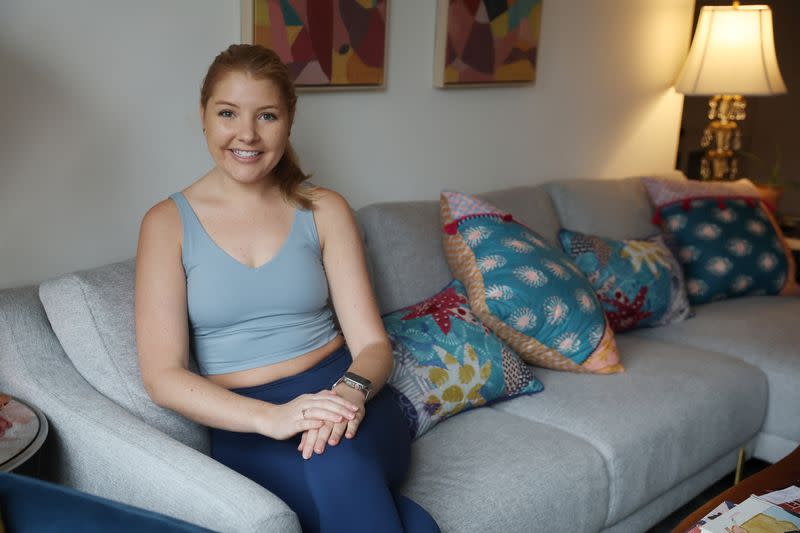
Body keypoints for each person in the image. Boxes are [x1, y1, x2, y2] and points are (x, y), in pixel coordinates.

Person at [134, 44, 440, 533]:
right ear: (204, 116)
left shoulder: (324, 209)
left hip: (351, 403)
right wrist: (272, 419)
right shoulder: (166, 224)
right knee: (408, 522)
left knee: (336, 463)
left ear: (289, 120)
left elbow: (373, 345)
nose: (247, 134)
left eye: (267, 115)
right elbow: (162, 377)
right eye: (228, 112)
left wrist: (349, 394)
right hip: (248, 426)